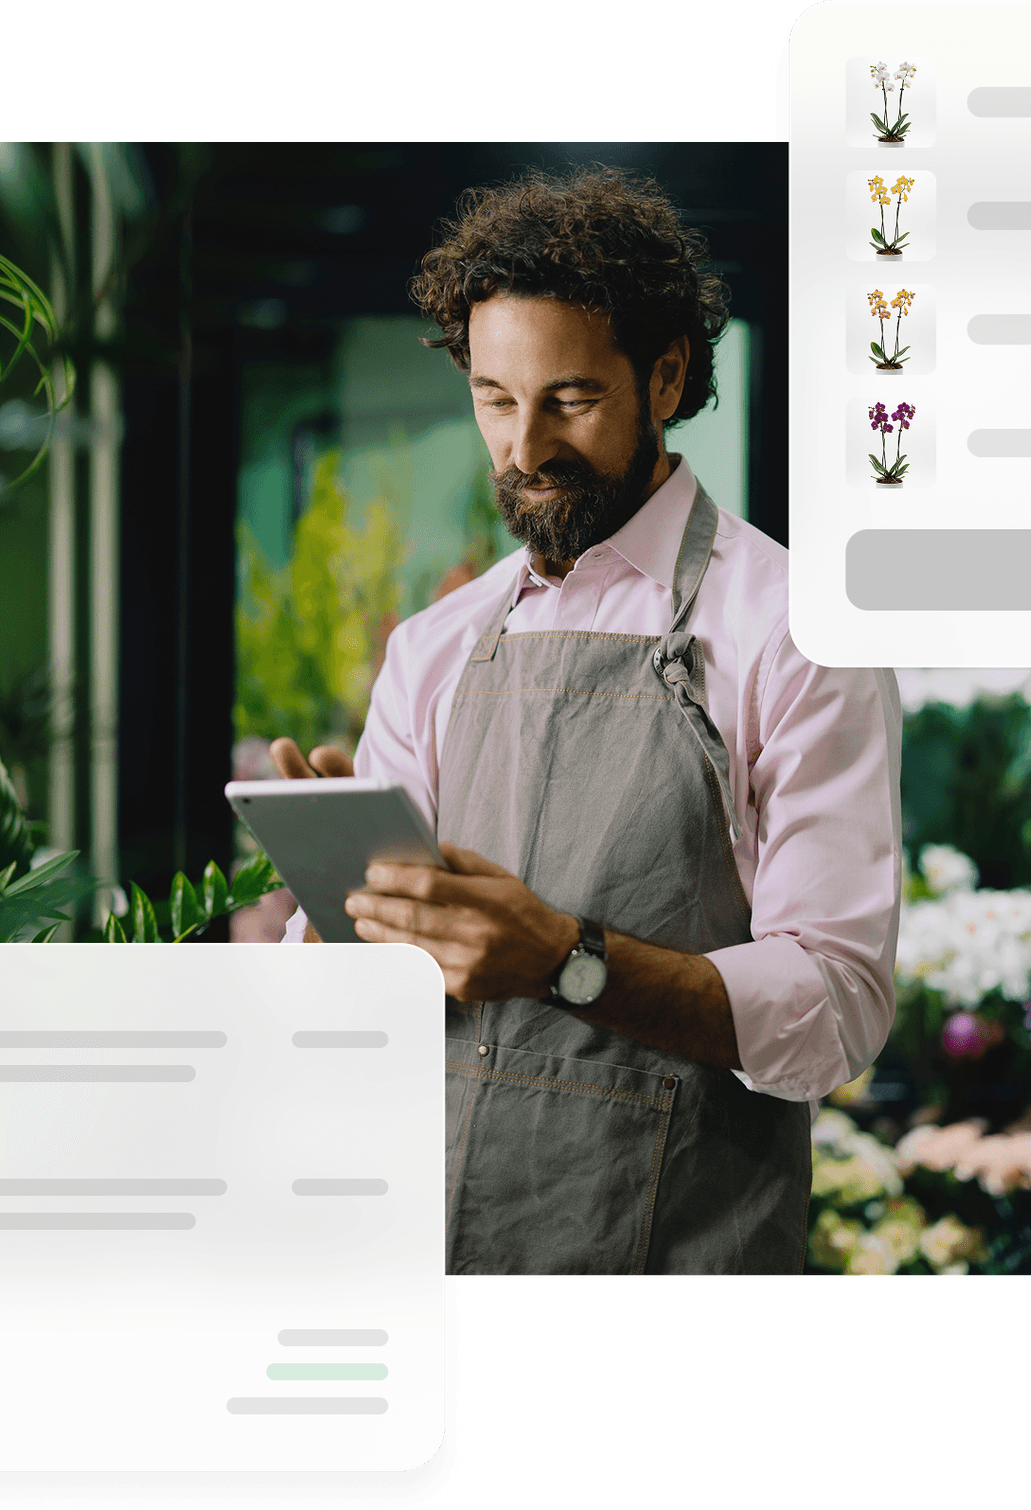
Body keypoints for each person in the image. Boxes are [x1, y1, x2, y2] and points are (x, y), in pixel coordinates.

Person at [274, 166, 902, 1275]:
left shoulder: (796, 631)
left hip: (680, 1258)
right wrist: (343, 911)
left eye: (569, 399)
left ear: (664, 374)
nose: (524, 450)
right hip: (438, 1260)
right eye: (494, 399)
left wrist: (565, 959)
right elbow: (360, 1000)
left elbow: (836, 1007)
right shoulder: (434, 646)